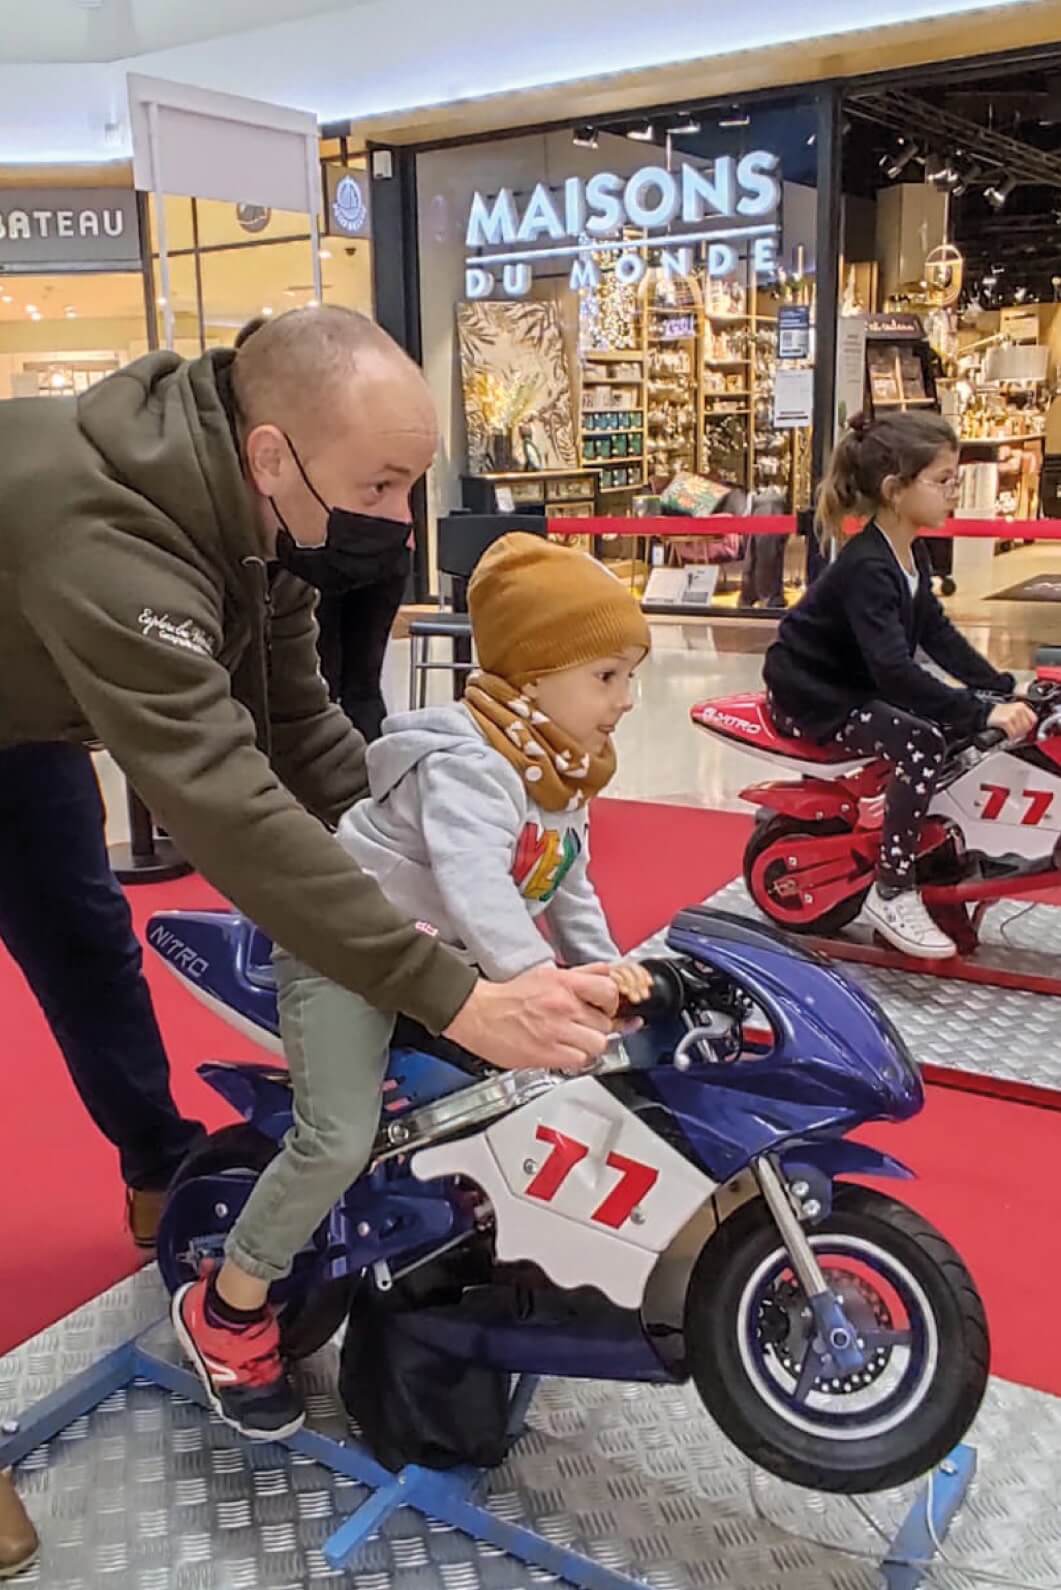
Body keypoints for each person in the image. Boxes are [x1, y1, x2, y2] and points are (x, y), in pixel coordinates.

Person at [0, 306, 618, 1248]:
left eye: (411, 483)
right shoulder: (107, 540)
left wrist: (410, 841)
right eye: (379, 482)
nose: (399, 520)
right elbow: (222, 801)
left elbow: (298, 729)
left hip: (23, 716)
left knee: (81, 936)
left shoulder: (267, 524)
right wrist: (451, 993)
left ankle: (159, 1170)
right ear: (272, 455)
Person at [173, 532, 653, 1439]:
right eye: (606, 677)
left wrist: (604, 971)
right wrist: (539, 982)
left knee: (506, 1098)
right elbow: (478, 886)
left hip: (435, 961)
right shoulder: (471, 766)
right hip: (347, 955)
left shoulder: (556, 768)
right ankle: (229, 1308)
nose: (627, 700)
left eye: (631, 677)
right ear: (533, 673)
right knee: (338, 1138)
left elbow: (566, 884)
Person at [763, 410, 1036, 960]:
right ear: (894, 490)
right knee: (925, 740)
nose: (953, 491)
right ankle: (893, 888)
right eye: (942, 480)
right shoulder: (869, 566)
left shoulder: (911, 553)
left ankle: (937, 856)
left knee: (961, 725)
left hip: (852, 681)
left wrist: (1002, 688)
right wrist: (978, 712)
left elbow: (936, 633)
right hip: (815, 694)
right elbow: (893, 670)